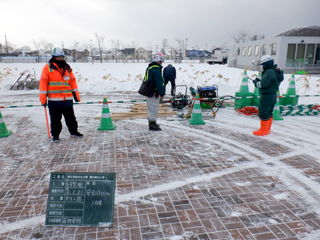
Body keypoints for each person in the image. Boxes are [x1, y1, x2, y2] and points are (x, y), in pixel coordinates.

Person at [39, 47, 83, 142]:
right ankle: (55, 136)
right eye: (59, 57)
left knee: (71, 118)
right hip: (54, 101)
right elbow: (43, 84)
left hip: (67, 100)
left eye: (62, 57)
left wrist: (76, 95)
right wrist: (43, 99)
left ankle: (74, 132)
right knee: (55, 120)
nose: (62, 59)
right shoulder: (47, 68)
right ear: (54, 57)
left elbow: (73, 82)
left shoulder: (67, 67)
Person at [252, 55, 283, 136]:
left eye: (262, 65)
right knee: (269, 112)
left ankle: (263, 130)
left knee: (264, 112)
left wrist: (256, 83)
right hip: (273, 95)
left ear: (266, 64)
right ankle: (267, 129)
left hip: (266, 96)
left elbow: (263, 85)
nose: (262, 67)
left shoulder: (269, 72)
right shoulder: (275, 70)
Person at [145, 52, 165, 131]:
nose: (161, 63)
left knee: (150, 108)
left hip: (149, 91)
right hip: (154, 92)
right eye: (161, 61)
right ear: (159, 60)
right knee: (154, 108)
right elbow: (159, 83)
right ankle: (152, 125)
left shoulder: (150, 68)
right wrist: (161, 93)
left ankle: (152, 122)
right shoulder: (156, 70)